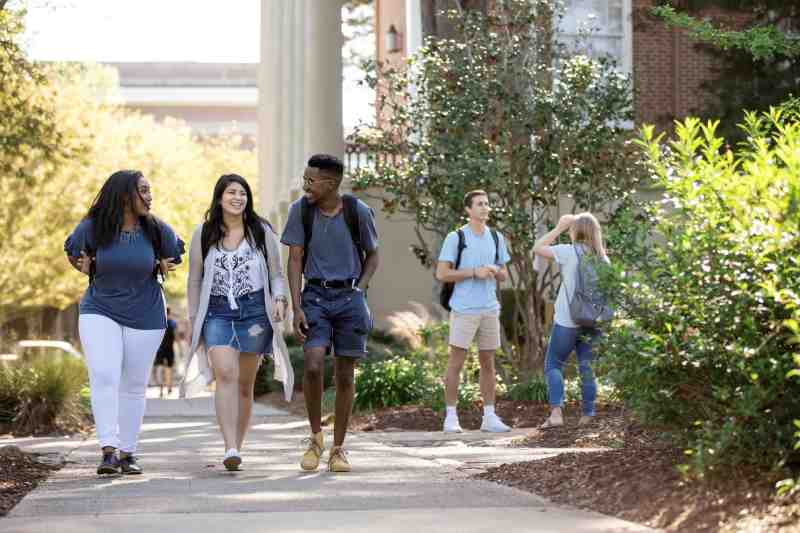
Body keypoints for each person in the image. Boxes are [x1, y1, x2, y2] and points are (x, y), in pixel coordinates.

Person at [64, 169, 184, 475]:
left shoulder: (156, 229)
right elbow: (73, 250)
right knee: (104, 375)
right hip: (99, 309)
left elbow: (175, 254)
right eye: (143, 190)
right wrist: (82, 266)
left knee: (133, 385)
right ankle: (108, 450)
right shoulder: (94, 227)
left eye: (149, 190)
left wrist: (162, 263)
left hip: (145, 315)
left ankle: (129, 452)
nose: (149, 196)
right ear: (123, 195)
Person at [184, 174, 293, 471]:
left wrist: (280, 299)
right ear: (219, 197)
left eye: (242, 193)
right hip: (217, 312)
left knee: (245, 384)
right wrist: (194, 318)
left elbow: (276, 273)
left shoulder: (261, 231)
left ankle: (238, 447)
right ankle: (228, 445)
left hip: (256, 312)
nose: (237, 197)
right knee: (225, 374)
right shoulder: (203, 234)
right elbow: (194, 279)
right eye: (231, 192)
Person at [281, 154, 379, 473]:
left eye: (312, 181)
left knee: (345, 374)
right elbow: (295, 260)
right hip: (315, 296)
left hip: (349, 296)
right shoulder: (301, 211)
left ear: (331, 183)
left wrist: (360, 288)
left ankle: (338, 448)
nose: (305, 185)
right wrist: (296, 307)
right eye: (304, 179)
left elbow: (373, 255)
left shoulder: (357, 211)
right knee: (312, 365)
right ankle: (315, 437)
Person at [435, 190, 512, 433]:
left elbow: (504, 273)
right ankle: (450, 417)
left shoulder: (496, 237)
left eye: (487, 204)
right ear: (468, 210)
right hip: (464, 309)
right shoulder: (456, 237)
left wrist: (494, 270)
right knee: (456, 362)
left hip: (489, 309)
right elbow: (442, 273)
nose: (485, 208)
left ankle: (489, 417)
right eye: (479, 204)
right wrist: (473, 272)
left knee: (488, 363)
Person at [532, 212, 609, 428]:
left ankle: (556, 415)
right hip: (593, 322)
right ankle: (588, 415)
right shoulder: (603, 258)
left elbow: (538, 248)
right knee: (587, 366)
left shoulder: (568, 252)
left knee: (553, 364)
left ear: (575, 231)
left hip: (567, 319)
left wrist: (558, 228)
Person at [154, 307, 177, 398]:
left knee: (160, 369)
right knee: (168, 369)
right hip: (169, 349)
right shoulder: (172, 323)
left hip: (160, 349)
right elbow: (176, 337)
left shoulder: (158, 322)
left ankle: (161, 389)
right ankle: (169, 386)